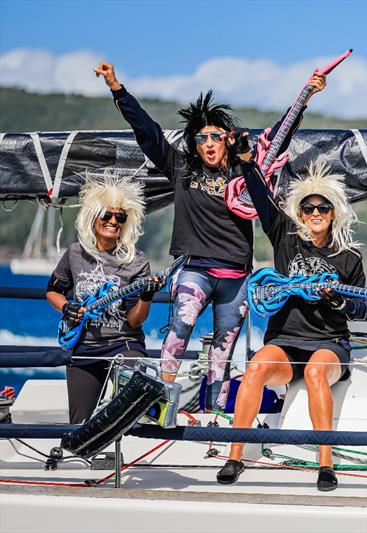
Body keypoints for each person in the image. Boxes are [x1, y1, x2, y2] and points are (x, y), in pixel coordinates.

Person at [94, 62, 324, 410]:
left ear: (227, 141)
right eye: (202, 137)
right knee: (180, 329)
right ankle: (158, 406)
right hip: (195, 269)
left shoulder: (244, 170)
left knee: (223, 350)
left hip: (236, 276)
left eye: (216, 135)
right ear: (194, 142)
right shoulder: (181, 168)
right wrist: (116, 88)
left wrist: (306, 95)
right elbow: (147, 131)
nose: (209, 143)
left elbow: (277, 138)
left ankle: (214, 417)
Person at [215, 154, 367, 492]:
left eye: (323, 208)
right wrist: (245, 162)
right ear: (299, 213)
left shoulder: (349, 256)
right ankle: (235, 456)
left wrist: (337, 299)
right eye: (309, 208)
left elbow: (362, 308)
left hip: (329, 343)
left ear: (334, 213)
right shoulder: (286, 236)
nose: (315, 214)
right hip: (285, 342)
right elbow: (259, 195)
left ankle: (325, 464)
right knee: (254, 368)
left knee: (315, 372)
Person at [46, 173, 165, 424]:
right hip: (84, 346)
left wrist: (146, 296)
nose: (113, 221)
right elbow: (53, 291)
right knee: (79, 424)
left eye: (120, 216)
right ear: (93, 217)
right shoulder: (75, 253)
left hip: (124, 344)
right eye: (107, 215)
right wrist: (66, 308)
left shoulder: (138, 261)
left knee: (128, 413)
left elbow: (135, 322)